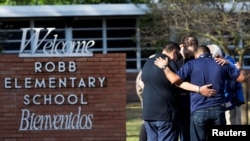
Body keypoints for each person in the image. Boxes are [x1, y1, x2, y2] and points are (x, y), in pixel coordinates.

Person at [154, 45, 247, 141]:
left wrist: (165, 67)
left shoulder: (191, 64)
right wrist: (238, 67)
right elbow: (242, 78)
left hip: (198, 109)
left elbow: (174, 80)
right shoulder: (222, 63)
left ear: (196, 54)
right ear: (209, 54)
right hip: (218, 109)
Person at [141, 42, 216, 141]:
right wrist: (199, 89)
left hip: (148, 113)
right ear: (174, 53)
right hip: (165, 113)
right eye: (178, 56)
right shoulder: (170, 63)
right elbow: (179, 82)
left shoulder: (148, 63)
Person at [207, 44, 245, 125]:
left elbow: (238, 78)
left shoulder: (228, 62)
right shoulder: (223, 61)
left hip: (231, 101)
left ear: (217, 56)